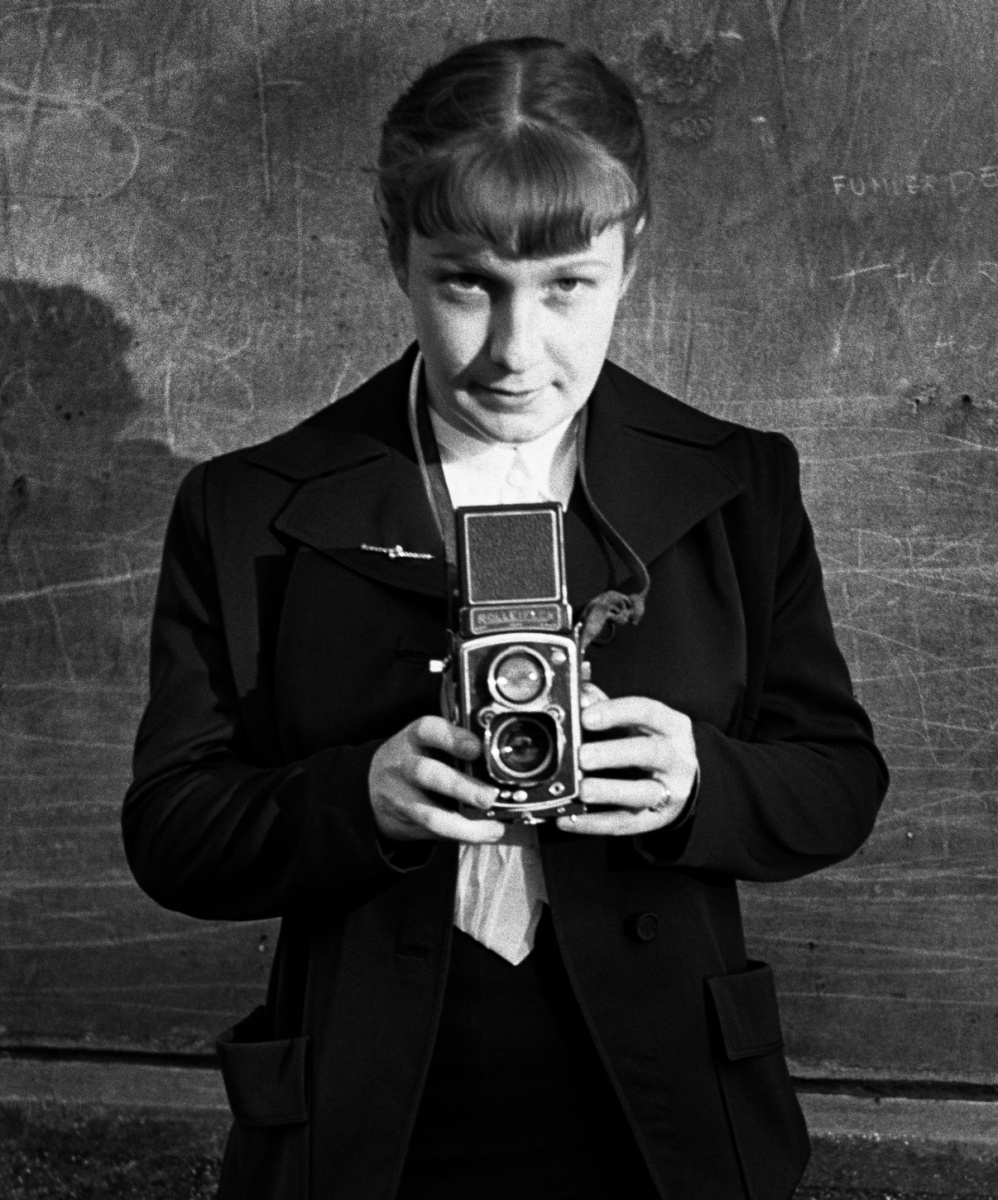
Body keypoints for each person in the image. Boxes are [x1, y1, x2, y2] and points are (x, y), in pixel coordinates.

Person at [122, 36, 888, 1200]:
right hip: (362, 1118)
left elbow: (836, 779)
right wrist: (356, 798)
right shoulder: (249, 507)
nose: (516, 352)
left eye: (567, 285)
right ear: (397, 258)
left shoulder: (739, 485)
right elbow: (173, 830)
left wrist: (700, 784)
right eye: (464, 282)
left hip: (671, 1115)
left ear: (631, 257)